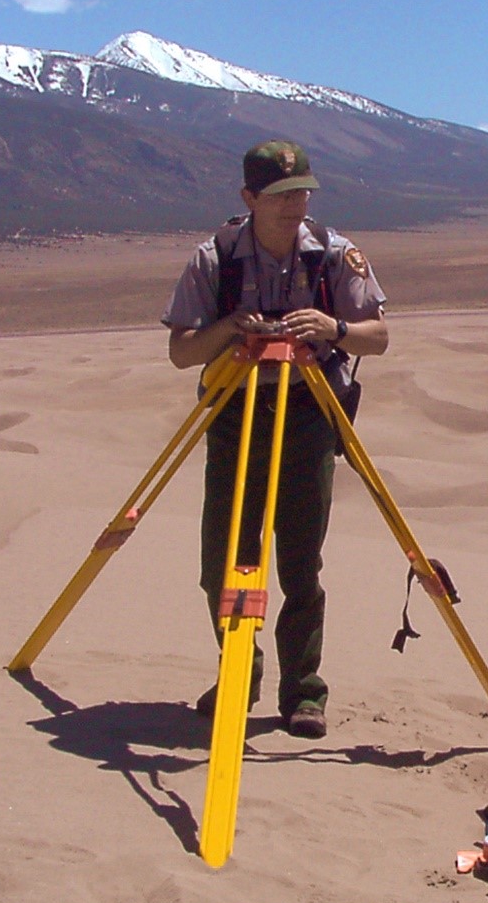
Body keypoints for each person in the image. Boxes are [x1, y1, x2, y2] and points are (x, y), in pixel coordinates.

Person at [162, 141, 388, 739]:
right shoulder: (214, 259)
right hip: (238, 415)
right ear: (249, 199)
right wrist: (226, 333)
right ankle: (239, 674)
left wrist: (333, 327)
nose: (295, 205)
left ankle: (303, 692)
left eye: (302, 192)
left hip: (309, 415)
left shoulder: (336, 256)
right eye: (281, 195)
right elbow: (181, 353)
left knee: (300, 561)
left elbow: (379, 336)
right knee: (227, 562)